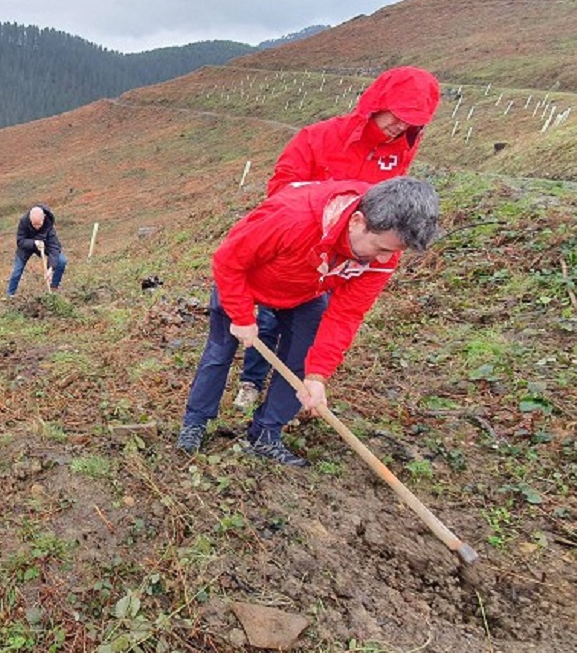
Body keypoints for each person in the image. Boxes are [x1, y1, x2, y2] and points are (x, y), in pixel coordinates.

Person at [176, 177, 439, 466]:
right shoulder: (294, 217)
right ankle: (195, 421)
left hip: (306, 293)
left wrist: (317, 375)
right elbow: (229, 260)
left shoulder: (384, 253)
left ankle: (265, 433)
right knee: (219, 351)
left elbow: (346, 314)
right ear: (357, 221)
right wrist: (240, 315)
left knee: (302, 361)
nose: (385, 259)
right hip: (247, 283)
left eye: (393, 253)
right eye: (381, 249)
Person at [235, 66, 441, 412]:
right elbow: (282, 190)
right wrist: (319, 218)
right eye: (397, 116)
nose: (400, 127)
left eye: (411, 122)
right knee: (269, 317)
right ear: (378, 103)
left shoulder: (401, 150)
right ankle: (251, 381)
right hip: (303, 245)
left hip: (350, 255)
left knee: (312, 325)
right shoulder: (319, 137)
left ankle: (288, 395)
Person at [6, 204, 67, 297]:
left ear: (44, 218)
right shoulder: (23, 221)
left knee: (62, 261)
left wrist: (51, 268)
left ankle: (53, 288)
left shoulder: (49, 223)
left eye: (39, 224)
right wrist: (34, 242)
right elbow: (20, 241)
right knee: (17, 270)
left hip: (44, 244)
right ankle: (10, 295)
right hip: (26, 246)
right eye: (34, 224)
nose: (37, 227)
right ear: (30, 219)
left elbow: (54, 247)